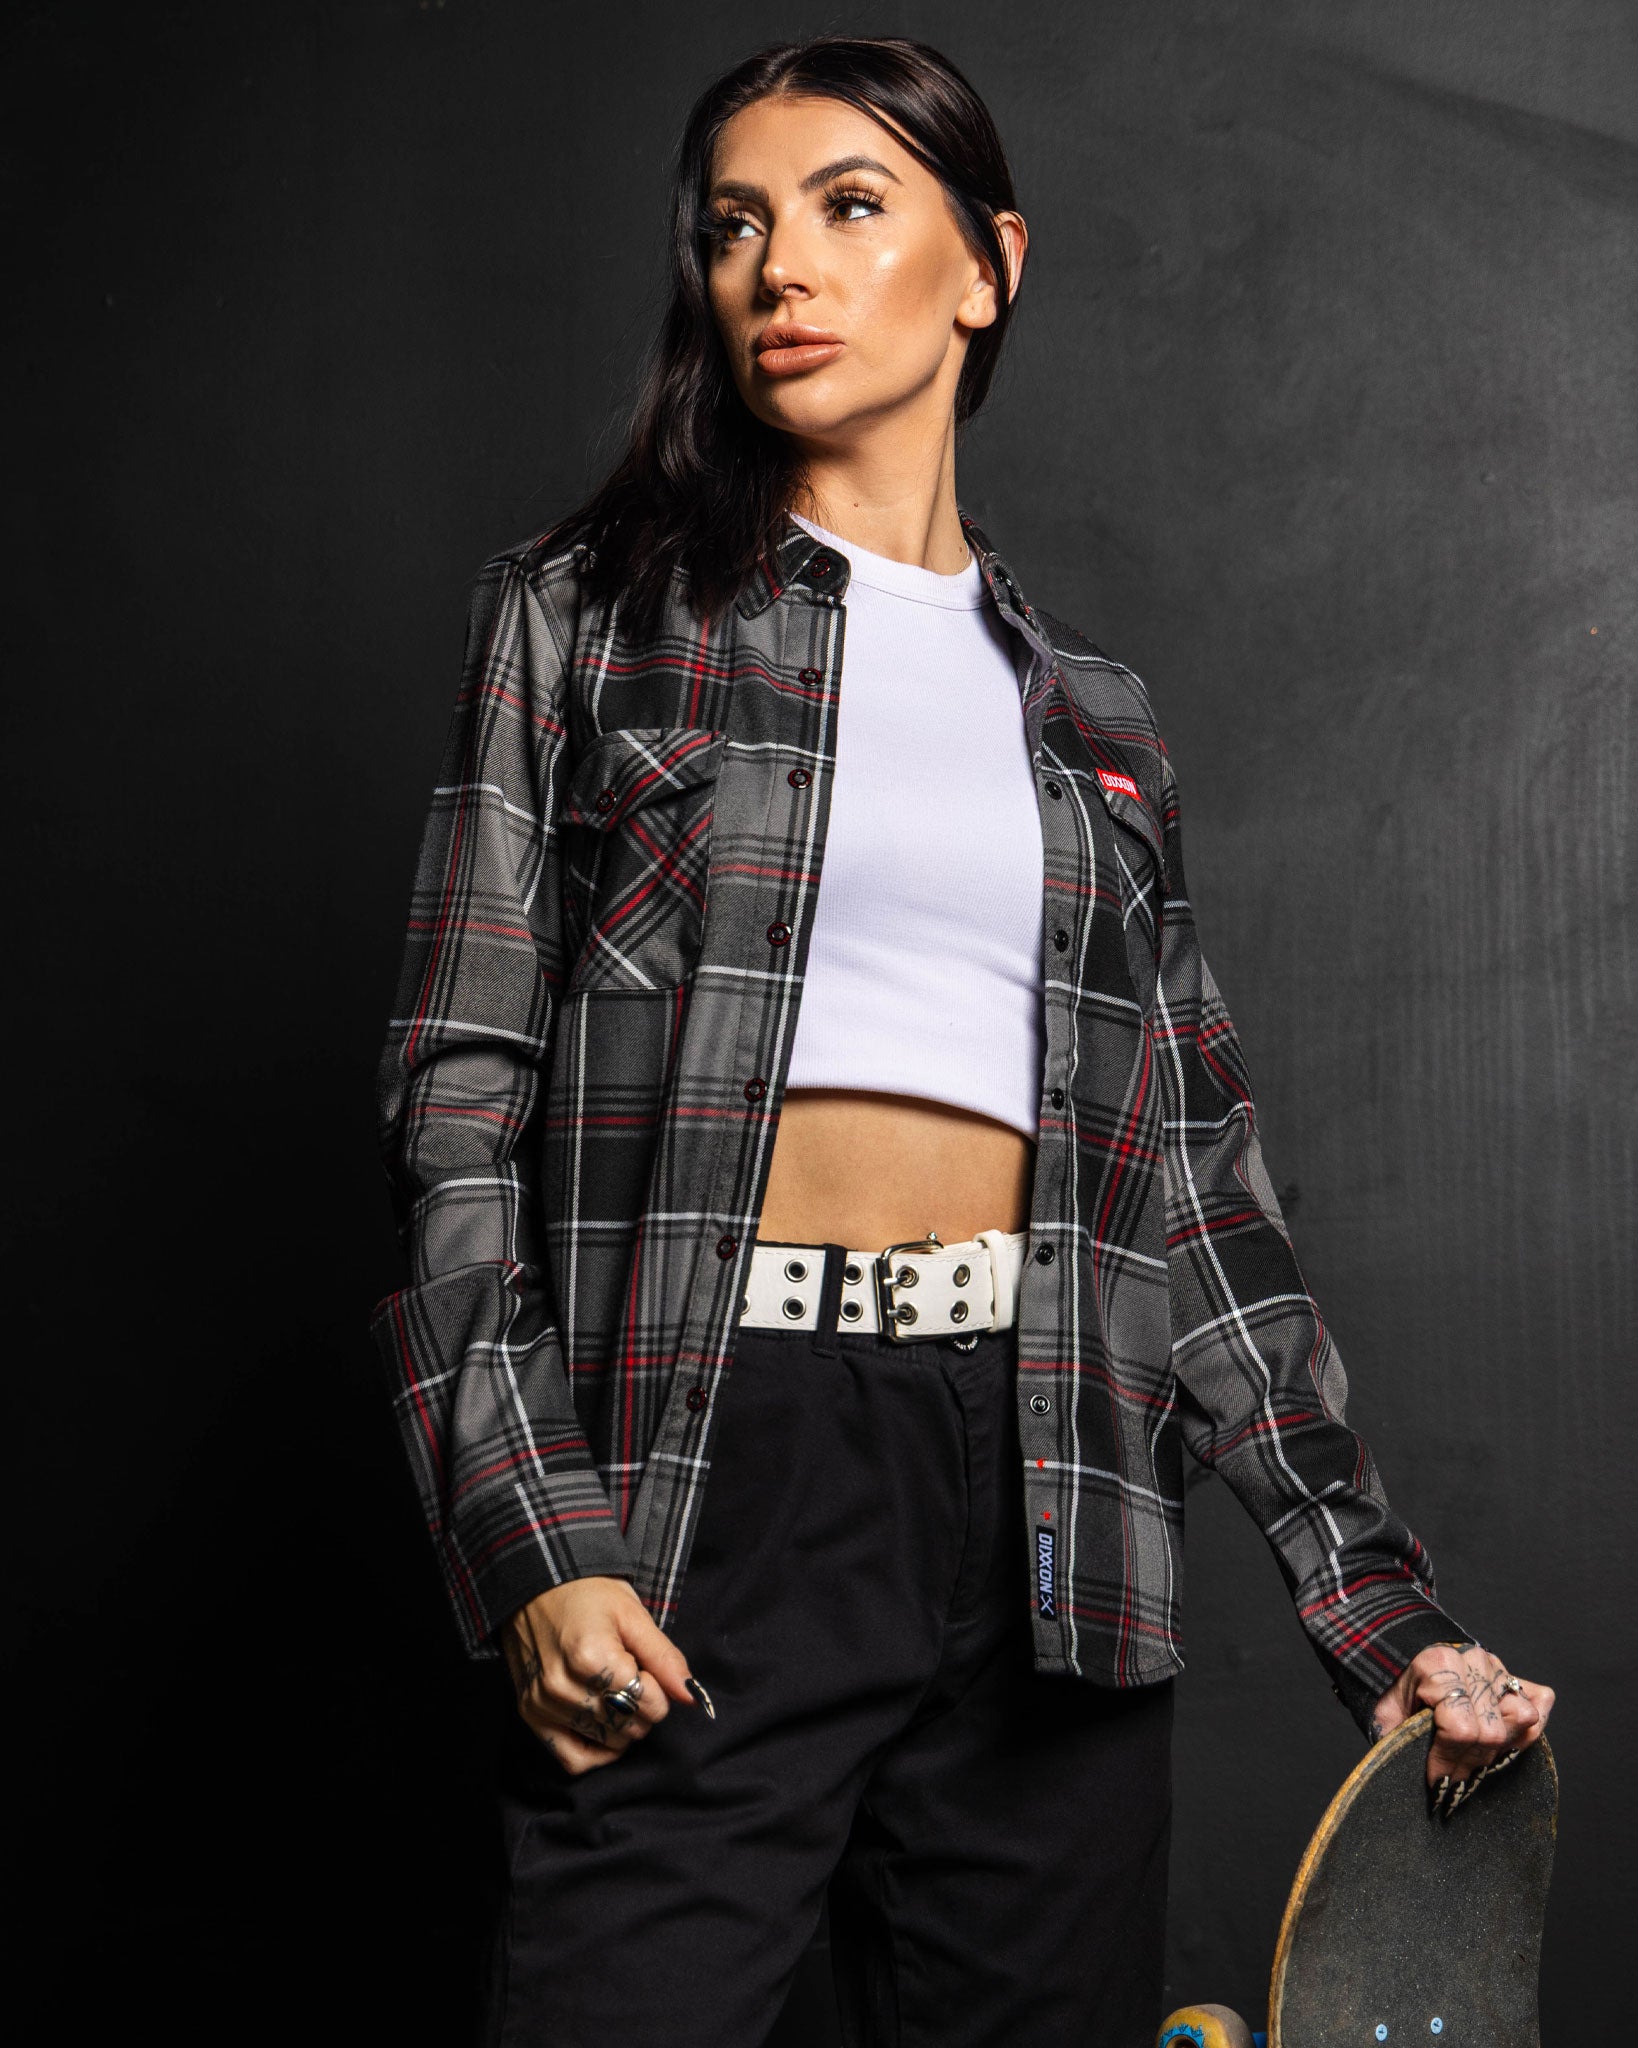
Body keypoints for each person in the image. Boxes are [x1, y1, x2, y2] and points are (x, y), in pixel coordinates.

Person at [367, 33, 1554, 2048]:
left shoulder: (1093, 719)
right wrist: (535, 1534)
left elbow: (1197, 1194)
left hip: (1051, 1489)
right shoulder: (584, 621)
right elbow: (454, 1105)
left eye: (849, 206)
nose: (778, 268)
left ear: (988, 267)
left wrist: (1383, 1616)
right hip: (711, 1468)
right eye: (734, 225)